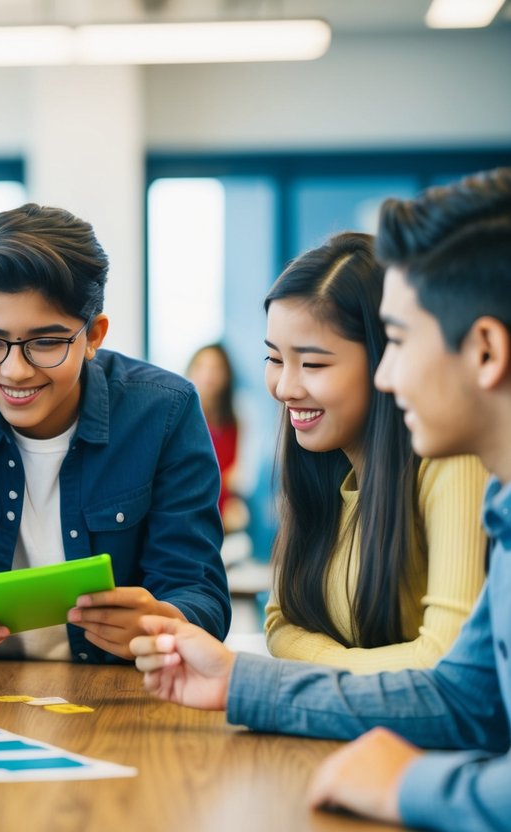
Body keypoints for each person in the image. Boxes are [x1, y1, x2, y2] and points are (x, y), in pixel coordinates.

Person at [130, 167, 511, 831]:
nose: (387, 374)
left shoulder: (461, 476)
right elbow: (464, 697)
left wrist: (412, 786)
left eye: (395, 342)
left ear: (482, 350)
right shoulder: (501, 507)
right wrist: (239, 681)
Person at [0, 203, 230, 680]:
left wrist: (170, 622)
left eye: (45, 342)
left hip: (124, 694)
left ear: (93, 336)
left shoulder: (164, 412)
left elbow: (198, 591)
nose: (14, 370)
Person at [262, 233, 487, 671]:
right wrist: (346, 664)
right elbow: (280, 623)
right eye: (273, 359)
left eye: (313, 364)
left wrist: (325, 662)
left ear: (388, 361)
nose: (285, 388)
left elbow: (447, 660)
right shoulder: (323, 465)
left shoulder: (452, 461)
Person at [185, 343, 248, 532]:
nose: (208, 375)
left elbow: (240, 475)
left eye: (216, 368)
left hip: (224, 512)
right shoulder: (182, 417)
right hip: (189, 506)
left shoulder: (237, 418)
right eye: (201, 367)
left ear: (227, 375)